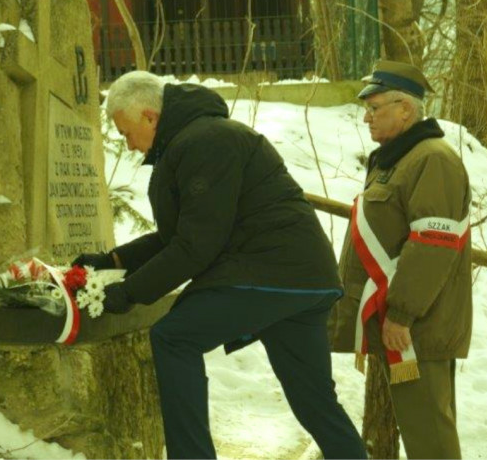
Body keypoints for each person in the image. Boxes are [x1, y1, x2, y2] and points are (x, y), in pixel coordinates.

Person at [72, 71, 366, 460]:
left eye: (126, 133)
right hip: (302, 278)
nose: (128, 144)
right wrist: (115, 260)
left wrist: (129, 293)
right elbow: (180, 234)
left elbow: (195, 246)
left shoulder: (204, 142)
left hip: (268, 270)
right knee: (315, 401)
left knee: (174, 337)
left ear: (149, 117)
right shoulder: (197, 139)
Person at [329, 60, 473, 459]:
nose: (366, 117)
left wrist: (402, 314)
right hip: (409, 324)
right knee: (423, 431)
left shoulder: (432, 159)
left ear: (405, 109)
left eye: (375, 108)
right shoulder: (401, 157)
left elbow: (433, 244)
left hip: (418, 326)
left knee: (430, 436)